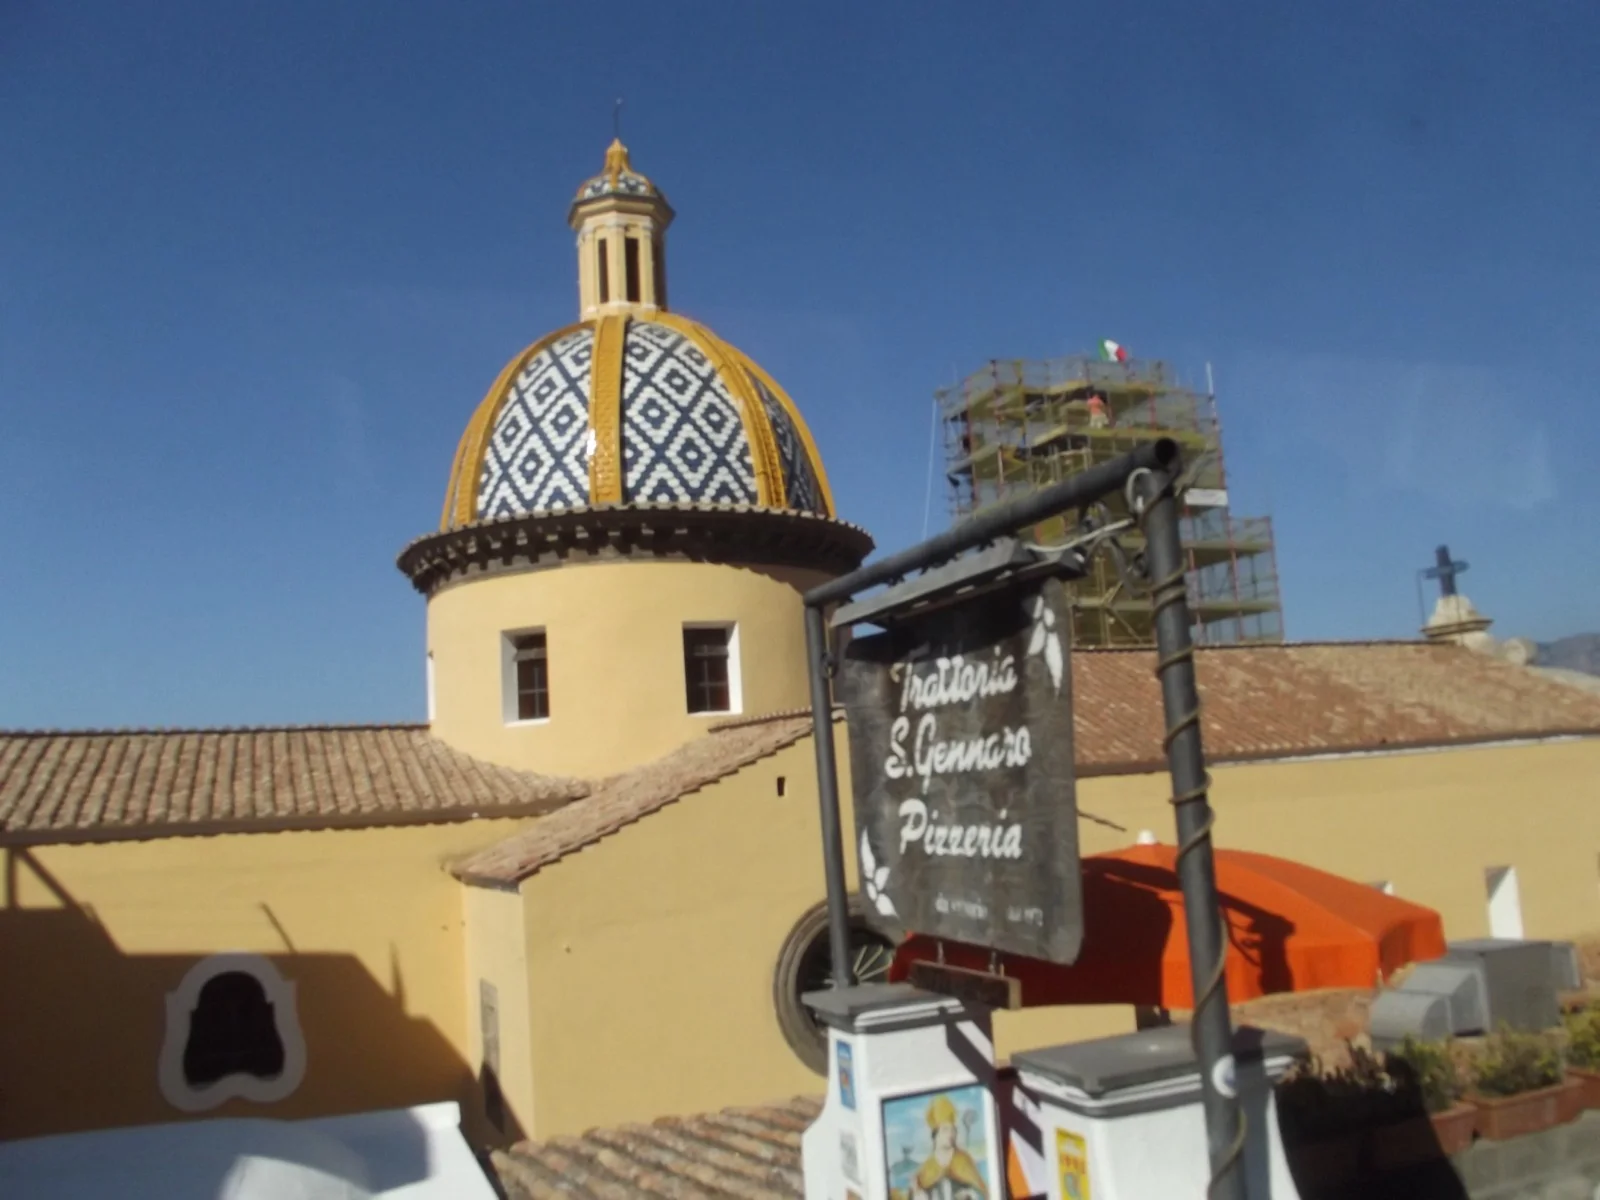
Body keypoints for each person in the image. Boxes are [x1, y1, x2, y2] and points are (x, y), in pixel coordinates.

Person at [909, 1095, 988, 1200]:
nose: (950, 1134)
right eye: (945, 1129)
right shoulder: (926, 1169)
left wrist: (970, 1194)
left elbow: (982, 1192)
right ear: (935, 1135)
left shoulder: (964, 1160)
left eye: (953, 1130)